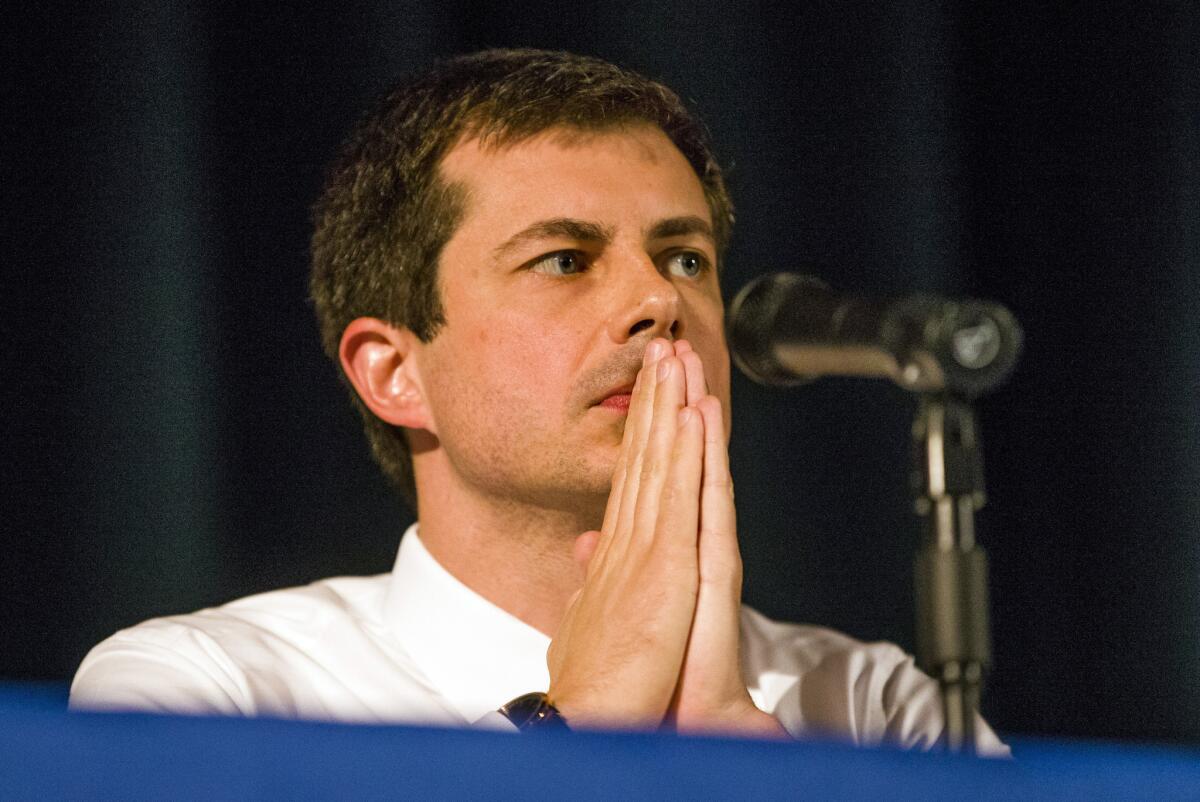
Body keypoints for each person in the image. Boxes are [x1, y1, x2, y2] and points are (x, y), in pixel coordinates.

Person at [71, 48, 1005, 752]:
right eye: (564, 260)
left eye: (686, 259)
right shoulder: (210, 692)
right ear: (394, 373)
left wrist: (747, 765)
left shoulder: (872, 706)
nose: (658, 303)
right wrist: (576, 729)